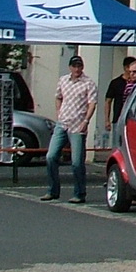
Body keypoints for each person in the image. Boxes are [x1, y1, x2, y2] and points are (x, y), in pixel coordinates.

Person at [44, 56, 97, 204]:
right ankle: (52, 190)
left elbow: (92, 103)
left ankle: (79, 193)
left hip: (78, 124)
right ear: (70, 67)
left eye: (79, 66)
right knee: (51, 156)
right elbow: (58, 96)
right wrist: (58, 112)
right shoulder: (63, 80)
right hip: (63, 122)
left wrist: (86, 121)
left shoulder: (88, 83)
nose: (77, 69)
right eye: (74, 66)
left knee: (77, 162)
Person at [102, 55, 136, 137]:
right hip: (118, 118)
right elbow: (108, 101)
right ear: (126, 68)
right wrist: (107, 120)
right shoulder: (116, 83)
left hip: (133, 119)